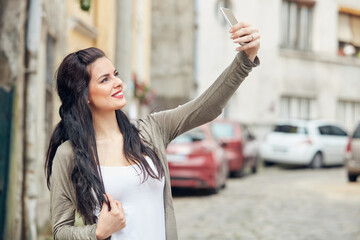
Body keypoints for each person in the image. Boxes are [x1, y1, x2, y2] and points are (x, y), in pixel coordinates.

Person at [45, 21, 260, 240]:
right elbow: (60, 230)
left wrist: (245, 59)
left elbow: (207, 107)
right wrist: (97, 232)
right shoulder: (69, 154)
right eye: (105, 79)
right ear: (85, 95)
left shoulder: (150, 130)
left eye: (115, 74)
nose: (118, 82)